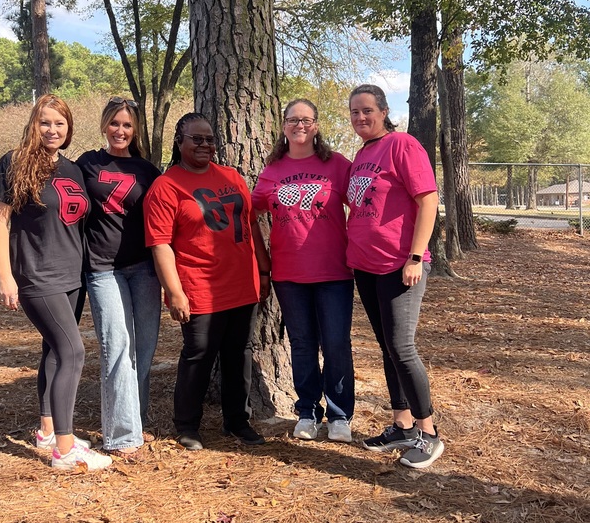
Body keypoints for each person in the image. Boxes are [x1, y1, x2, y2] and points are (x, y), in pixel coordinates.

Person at [0, 94, 112, 473]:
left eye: (60, 123)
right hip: (36, 275)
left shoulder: (73, 169)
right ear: (33, 124)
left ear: (69, 128)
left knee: (55, 351)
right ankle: (65, 449)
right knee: (73, 352)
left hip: (71, 275)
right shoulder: (13, 162)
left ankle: (46, 430)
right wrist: (5, 276)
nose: (52, 130)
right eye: (45, 122)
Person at [143, 112, 270, 451]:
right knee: (199, 355)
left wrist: (264, 268)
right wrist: (174, 292)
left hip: (243, 283)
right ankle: (187, 425)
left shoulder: (231, 176)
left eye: (210, 139)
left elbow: (252, 224)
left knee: (238, 355)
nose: (204, 145)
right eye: (196, 139)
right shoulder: (166, 186)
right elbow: (160, 244)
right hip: (199, 286)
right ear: (179, 142)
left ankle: (237, 421)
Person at [346, 84, 443, 469]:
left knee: (402, 347)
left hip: (399, 264)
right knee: (388, 346)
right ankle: (401, 424)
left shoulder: (402, 144)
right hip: (365, 266)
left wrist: (416, 256)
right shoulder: (362, 153)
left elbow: (428, 199)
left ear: (384, 111)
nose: (360, 118)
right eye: (354, 112)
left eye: (367, 110)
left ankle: (429, 432)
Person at [252, 99, 355, 442]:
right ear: (283, 126)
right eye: (293, 120)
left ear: (316, 125)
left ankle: (340, 415)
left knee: (337, 343)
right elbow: (248, 214)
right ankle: (308, 410)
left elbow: (368, 203)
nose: (300, 125)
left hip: (334, 271)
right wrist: (263, 264)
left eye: (307, 119)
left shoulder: (338, 165)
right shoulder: (271, 171)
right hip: (289, 273)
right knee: (302, 344)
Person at [76, 97, 162, 457]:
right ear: (103, 125)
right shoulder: (86, 164)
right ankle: (122, 436)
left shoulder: (148, 170)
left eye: (127, 125)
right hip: (102, 268)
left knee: (143, 348)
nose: (120, 131)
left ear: (135, 129)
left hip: (144, 269)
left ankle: (134, 420)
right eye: (115, 123)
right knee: (117, 347)